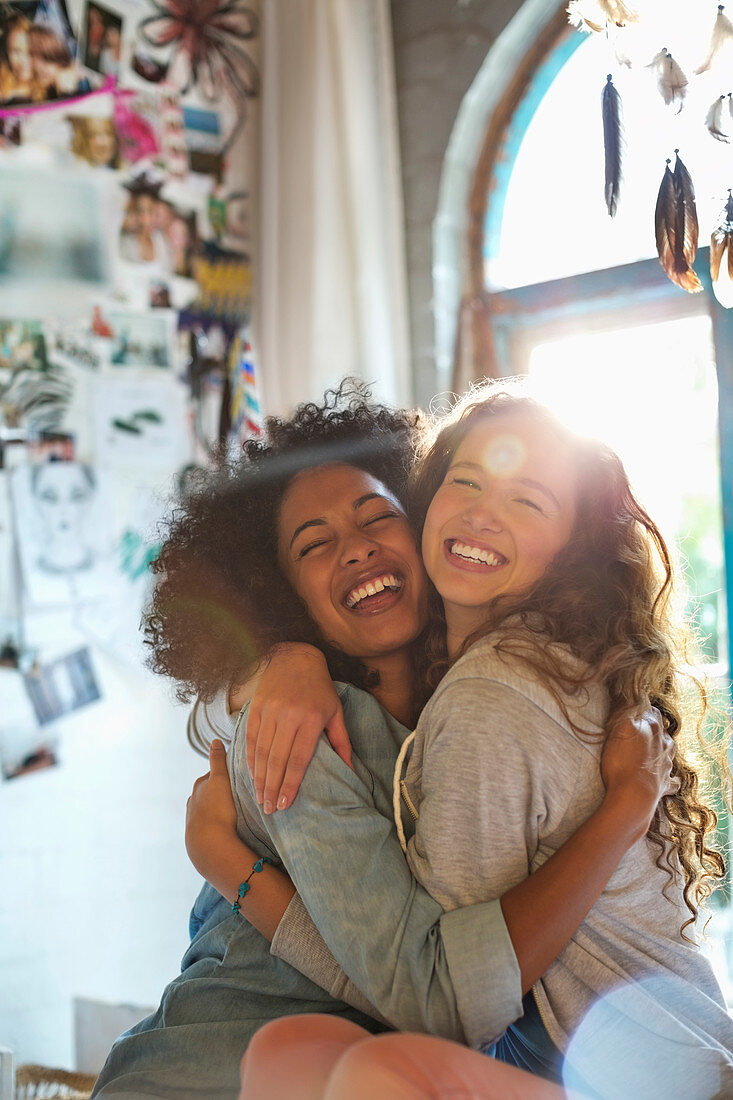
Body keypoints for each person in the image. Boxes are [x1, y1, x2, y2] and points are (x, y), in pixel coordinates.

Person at [92, 384, 672, 1098]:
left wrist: (233, 867)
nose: (357, 549)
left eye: (378, 518)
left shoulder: (468, 698)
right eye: (315, 545)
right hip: (213, 1071)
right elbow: (432, 1001)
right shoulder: (299, 729)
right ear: (279, 596)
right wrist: (233, 869)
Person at [0, 15, 34, 104]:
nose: (24, 60)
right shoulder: (2, 87)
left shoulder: (50, 82)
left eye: (30, 51)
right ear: (5, 54)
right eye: (16, 51)